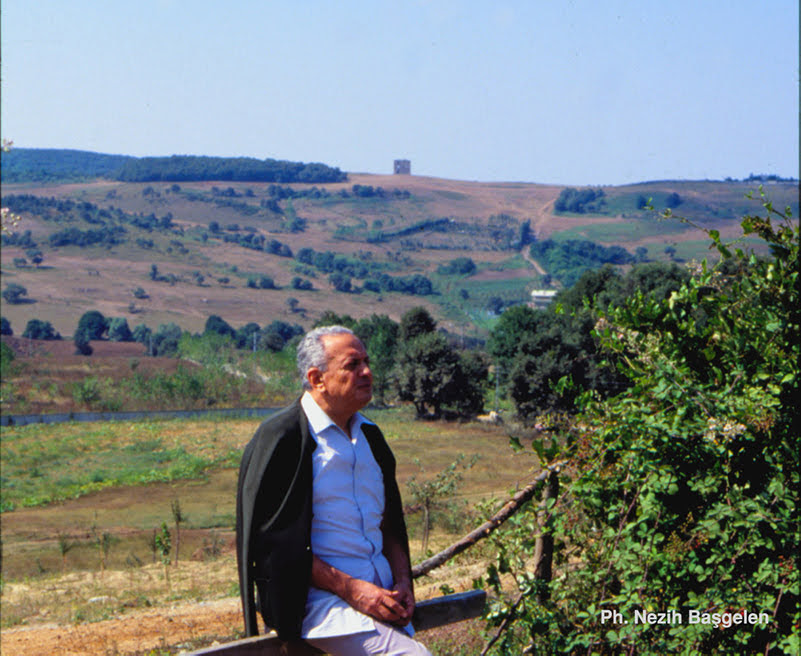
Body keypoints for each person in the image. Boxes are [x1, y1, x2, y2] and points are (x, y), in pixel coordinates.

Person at [237, 325, 432, 655]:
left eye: (367, 362)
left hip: (382, 598)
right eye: (352, 365)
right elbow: (274, 548)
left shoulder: (371, 438)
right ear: (317, 379)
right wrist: (353, 590)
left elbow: (390, 524)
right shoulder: (285, 439)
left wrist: (402, 581)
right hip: (316, 603)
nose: (367, 372)